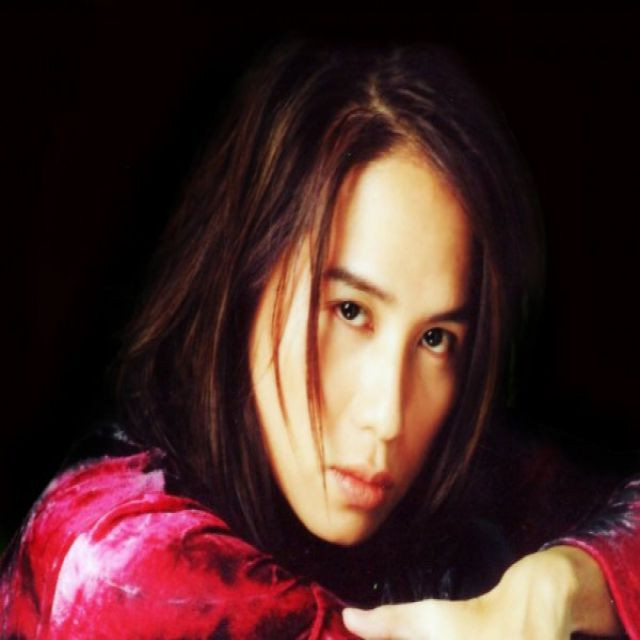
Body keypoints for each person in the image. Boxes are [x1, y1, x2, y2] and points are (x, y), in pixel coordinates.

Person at [1, 40, 639, 639]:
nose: (387, 417)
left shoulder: (446, 475)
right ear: (244, 279)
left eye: (436, 338)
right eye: (350, 311)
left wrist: (561, 585)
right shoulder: (126, 562)